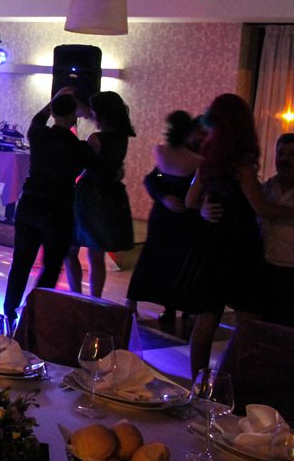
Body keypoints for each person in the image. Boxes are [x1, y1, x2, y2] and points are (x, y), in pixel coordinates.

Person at [183, 95, 294, 377]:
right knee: (249, 322)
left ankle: (199, 384)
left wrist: (204, 208)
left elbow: (189, 200)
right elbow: (261, 207)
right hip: (241, 247)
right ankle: (233, 379)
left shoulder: (208, 161)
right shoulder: (242, 164)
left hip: (212, 244)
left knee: (207, 319)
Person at [2, 88, 93, 323]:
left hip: (30, 204)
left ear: (53, 112)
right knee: (51, 267)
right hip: (59, 211)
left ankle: (9, 312)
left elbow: (38, 118)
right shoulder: (80, 148)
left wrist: (55, 99)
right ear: (73, 116)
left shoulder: (38, 134)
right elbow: (96, 164)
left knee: (21, 263)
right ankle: (34, 313)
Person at [126, 111, 205, 332]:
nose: (201, 137)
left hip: (180, 218)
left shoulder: (192, 156)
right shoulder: (197, 160)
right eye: (199, 132)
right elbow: (155, 178)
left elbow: (158, 177)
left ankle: (180, 310)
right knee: (160, 260)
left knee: (178, 263)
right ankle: (170, 309)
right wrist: (164, 196)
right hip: (176, 217)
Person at [64, 91, 136, 298]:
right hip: (110, 195)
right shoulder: (122, 137)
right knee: (97, 253)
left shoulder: (95, 139)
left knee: (70, 249)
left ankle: (76, 295)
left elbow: (80, 166)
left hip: (90, 195)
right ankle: (95, 299)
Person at [261, 133, 294, 326]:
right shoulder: (266, 188)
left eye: (292, 155)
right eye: (281, 153)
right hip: (266, 269)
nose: (284, 159)